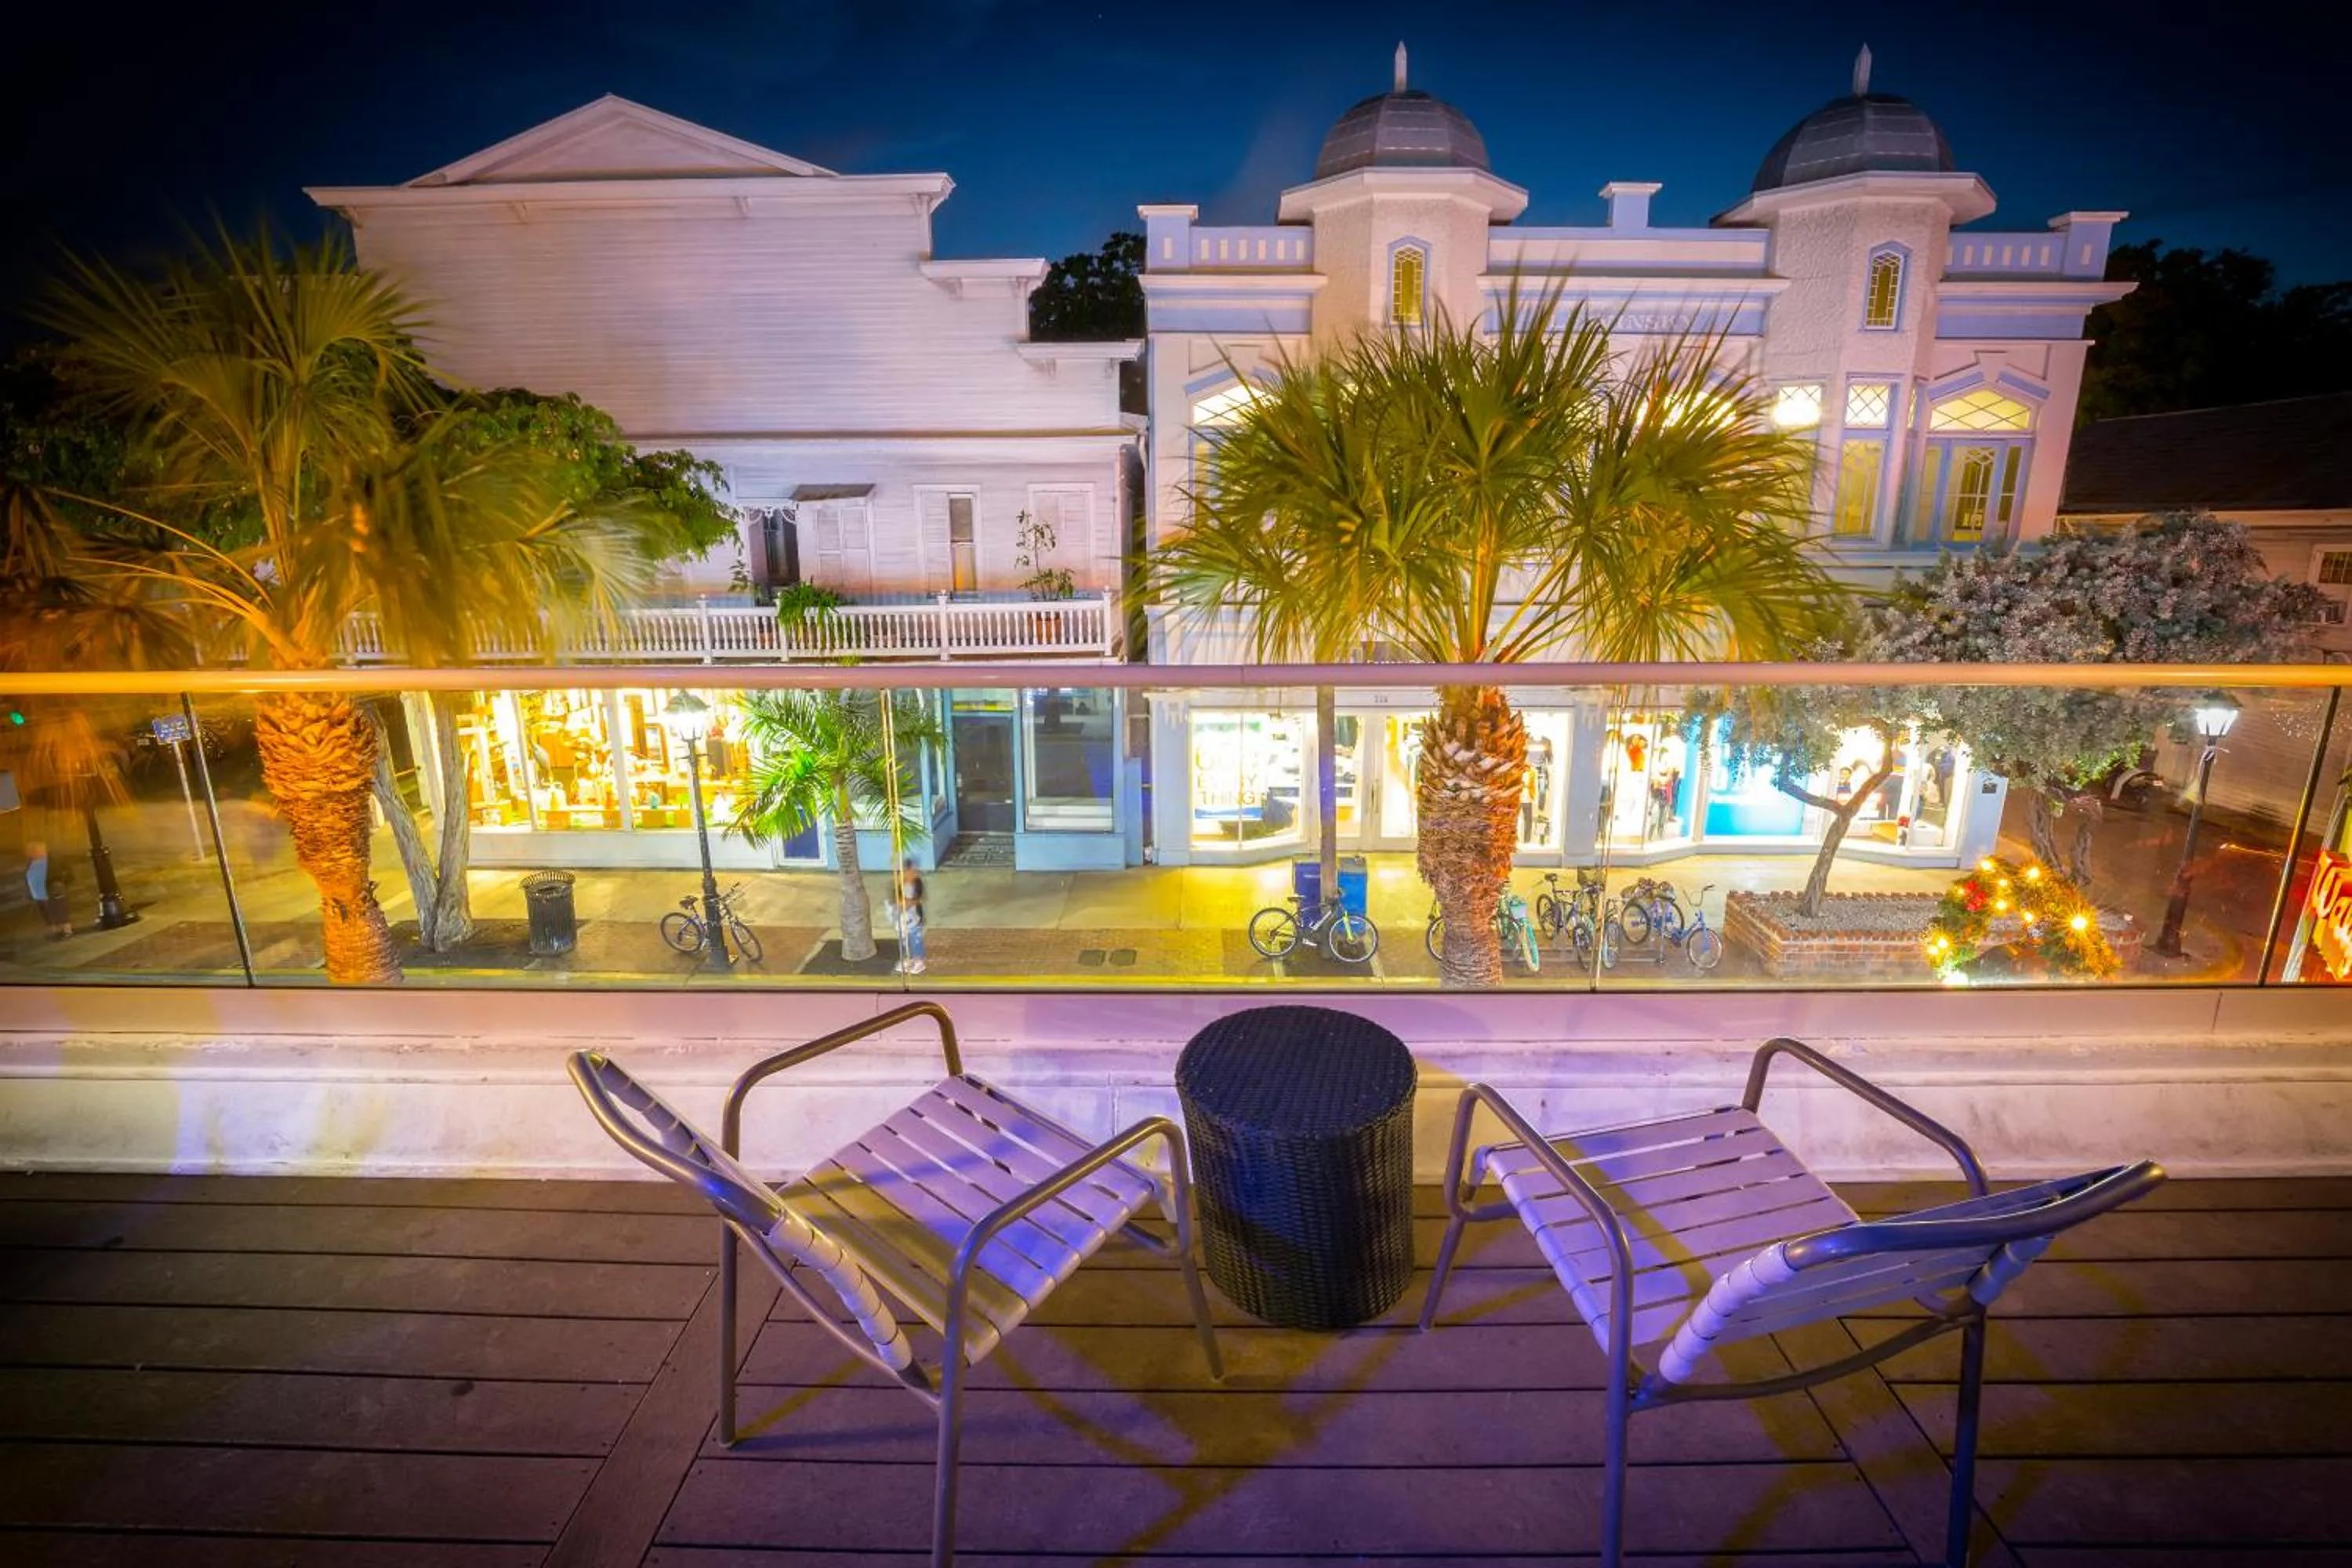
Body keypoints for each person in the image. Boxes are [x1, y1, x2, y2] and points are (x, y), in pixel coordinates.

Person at [24, 840, 71, 939]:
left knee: (59, 909)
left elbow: (67, 872)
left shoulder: (53, 860)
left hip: (53, 888)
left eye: (33, 851)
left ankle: (66, 930)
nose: (30, 853)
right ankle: (56, 931)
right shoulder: (33, 862)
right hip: (40, 891)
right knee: (46, 912)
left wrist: (61, 883)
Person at [894, 858, 927, 975]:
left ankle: (918, 960)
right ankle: (908, 959)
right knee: (904, 938)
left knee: (915, 938)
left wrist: (908, 904)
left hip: (914, 916)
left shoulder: (916, 883)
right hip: (902, 916)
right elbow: (897, 899)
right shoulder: (899, 884)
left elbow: (918, 899)